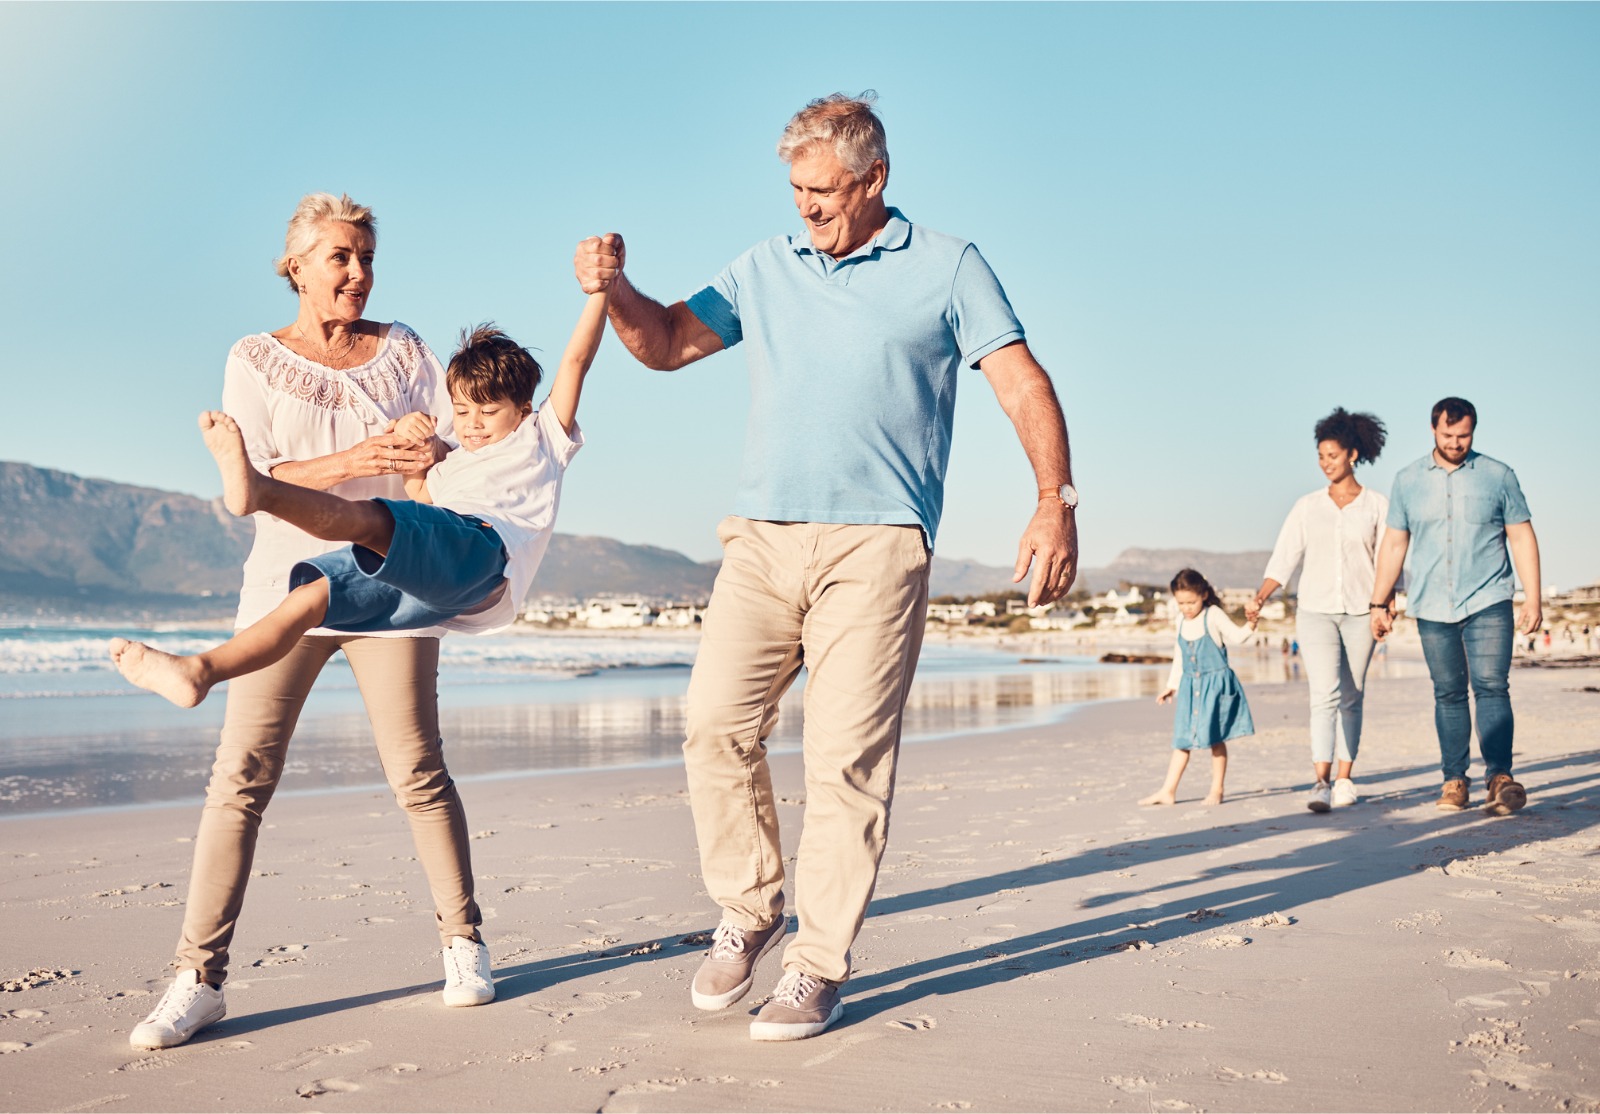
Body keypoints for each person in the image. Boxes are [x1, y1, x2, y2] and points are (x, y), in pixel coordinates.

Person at [573, 93, 1077, 1041]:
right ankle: (749, 906)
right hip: (761, 539)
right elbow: (669, 344)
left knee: (845, 763)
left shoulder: (949, 267)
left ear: (875, 178)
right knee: (713, 727)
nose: (806, 208)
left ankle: (815, 965)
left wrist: (1054, 500)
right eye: (796, 190)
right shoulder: (766, 266)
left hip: (879, 543)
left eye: (823, 192)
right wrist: (618, 292)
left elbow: (1021, 381)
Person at [124, 194, 480, 1051]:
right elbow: (261, 475)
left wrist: (433, 450)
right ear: (297, 266)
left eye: (365, 257)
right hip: (288, 589)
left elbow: (459, 443)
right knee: (240, 778)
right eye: (339, 258)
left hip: (391, 582)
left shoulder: (407, 351)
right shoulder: (253, 358)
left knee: (418, 771)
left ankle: (464, 944)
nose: (357, 273)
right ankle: (197, 980)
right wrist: (361, 457)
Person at [110, 301, 599, 705]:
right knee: (309, 598)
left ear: (523, 410)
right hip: (435, 577)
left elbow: (575, 360)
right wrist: (412, 454)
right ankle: (201, 671)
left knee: (373, 522)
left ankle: (262, 491)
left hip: (484, 550)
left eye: (488, 412)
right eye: (463, 410)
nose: (471, 425)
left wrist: (600, 291)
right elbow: (422, 495)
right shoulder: (453, 463)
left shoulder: (543, 436)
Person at [1371, 397, 1541, 815]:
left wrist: (1533, 597)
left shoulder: (1498, 476)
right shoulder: (1408, 479)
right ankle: (1454, 780)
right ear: (1433, 430)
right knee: (1448, 694)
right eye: (1448, 435)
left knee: (1491, 687)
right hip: (1432, 605)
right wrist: (1379, 601)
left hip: (1488, 598)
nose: (1455, 442)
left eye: (1463, 435)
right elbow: (1394, 542)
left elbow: (1521, 535)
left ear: (1474, 430)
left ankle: (1500, 777)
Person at [1247, 408, 1389, 813]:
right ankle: (1321, 782)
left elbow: (1388, 561)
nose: (1326, 463)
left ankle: (1346, 778)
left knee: (1353, 694)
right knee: (1323, 694)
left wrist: (1386, 606)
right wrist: (1261, 596)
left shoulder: (1377, 505)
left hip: (1362, 612)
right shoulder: (1307, 506)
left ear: (1353, 454)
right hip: (1315, 612)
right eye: (1321, 456)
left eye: (1333, 455)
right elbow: (1284, 558)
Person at [1141, 569, 1257, 807]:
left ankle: (1217, 790)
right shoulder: (1180, 620)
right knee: (1182, 739)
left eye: (1191, 602)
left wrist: (1252, 624)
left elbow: (1238, 636)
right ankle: (1168, 791)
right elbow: (1179, 656)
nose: (1186, 608)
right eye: (1181, 603)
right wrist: (1171, 686)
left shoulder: (1212, 615)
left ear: (1204, 594)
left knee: (1216, 738)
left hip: (1215, 686)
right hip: (1188, 686)